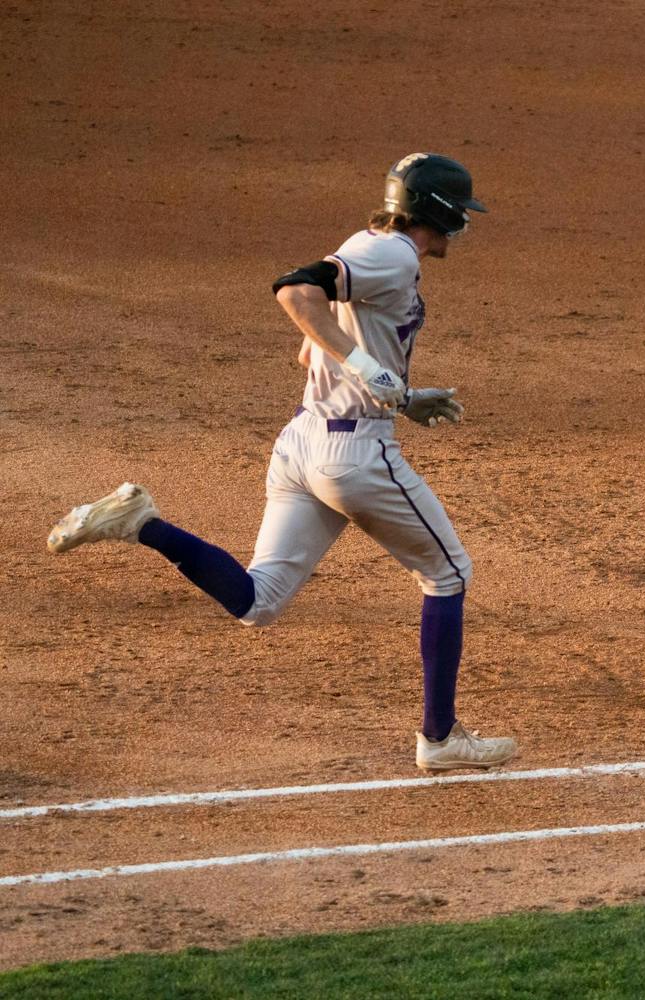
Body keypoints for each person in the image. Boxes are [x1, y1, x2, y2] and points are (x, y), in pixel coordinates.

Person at [47, 153, 517, 771]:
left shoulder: (370, 248)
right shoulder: (397, 253)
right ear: (442, 210)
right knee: (449, 571)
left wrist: (403, 394)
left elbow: (310, 351)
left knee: (258, 601)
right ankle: (440, 737)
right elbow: (294, 291)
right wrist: (367, 370)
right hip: (355, 455)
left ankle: (139, 522)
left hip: (303, 442)